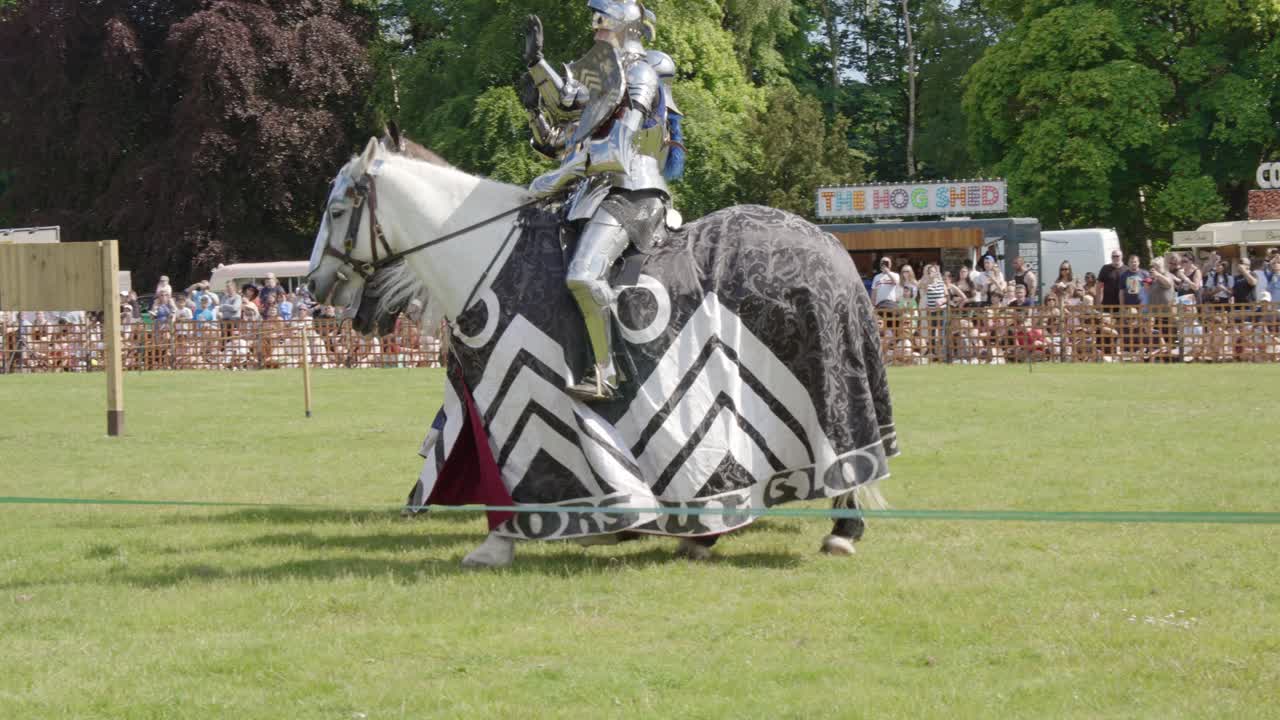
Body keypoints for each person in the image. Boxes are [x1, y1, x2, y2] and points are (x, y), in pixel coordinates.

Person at [520, 1, 673, 399]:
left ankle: (609, 375)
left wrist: (558, 176)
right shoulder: (606, 78)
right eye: (595, 25)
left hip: (632, 189)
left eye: (603, 26)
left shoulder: (640, 75)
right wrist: (537, 67)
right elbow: (566, 115)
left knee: (584, 276)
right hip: (593, 191)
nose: (596, 32)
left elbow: (619, 149)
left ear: (626, 29)